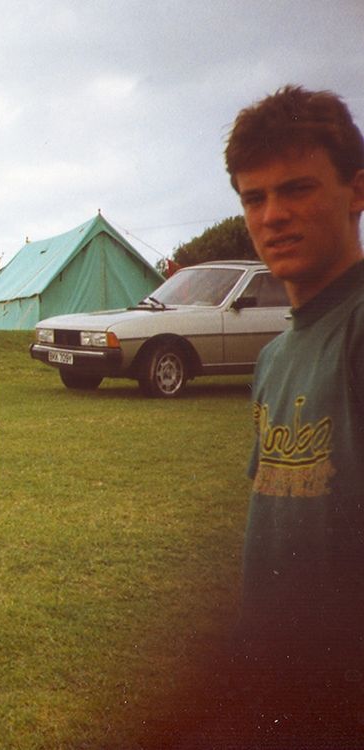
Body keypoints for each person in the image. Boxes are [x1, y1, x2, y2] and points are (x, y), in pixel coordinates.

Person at [225, 85, 364, 744]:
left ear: (357, 191)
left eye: (297, 189)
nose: (273, 215)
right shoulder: (275, 357)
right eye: (255, 197)